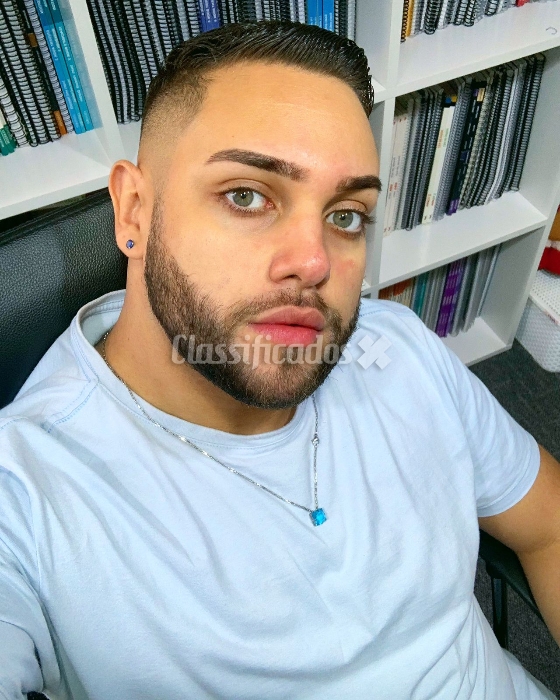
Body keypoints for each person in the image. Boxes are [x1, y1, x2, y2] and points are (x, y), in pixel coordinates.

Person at [0, 20, 559, 700]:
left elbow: (547, 526)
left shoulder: (399, 347)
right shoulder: (25, 492)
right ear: (134, 211)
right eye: (247, 196)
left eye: (346, 214)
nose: (315, 261)